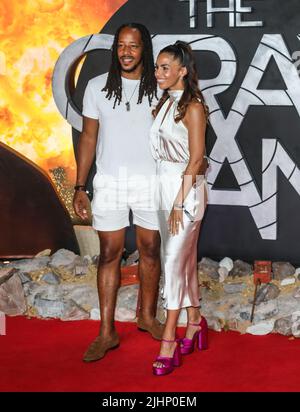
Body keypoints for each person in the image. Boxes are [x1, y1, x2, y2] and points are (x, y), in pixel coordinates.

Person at [73, 23, 164, 363]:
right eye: (121, 46)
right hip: (109, 181)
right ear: (116, 50)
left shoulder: (159, 87)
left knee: (150, 248)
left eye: (134, 46)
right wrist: (80, 186)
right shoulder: (97, 88)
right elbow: (88, 139)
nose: (126, 52)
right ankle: (107, 331)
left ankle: (147, 316)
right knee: (110, 252)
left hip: (149, 181)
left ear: (144, 50)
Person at [150, 41, 209, 376]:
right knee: (180, 261)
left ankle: (168, 340)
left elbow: (197, 158)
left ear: (183, 70)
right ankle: (196, 321)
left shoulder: (194, 107)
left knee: (173, 263)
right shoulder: (162, 104)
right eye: (157, 67)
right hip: (163, 190)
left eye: (166, 67)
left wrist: (177, 202)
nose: (159, 73)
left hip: (185, 194)